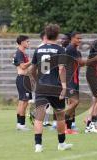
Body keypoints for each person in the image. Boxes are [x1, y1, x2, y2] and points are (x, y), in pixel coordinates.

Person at [30, 24, 73, 152]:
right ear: (57, 35)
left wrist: (37, 80)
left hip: (41, 87)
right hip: (55, 87)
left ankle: (38, 145)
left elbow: (32, 69)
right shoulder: (60, 49)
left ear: (46, 34)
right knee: (59, 115)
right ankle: (61, 144)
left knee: (39, 116)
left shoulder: (38, 49)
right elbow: (61, 68)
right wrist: (64, 86)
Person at [12, 35, 32, 131]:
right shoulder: (19, 53)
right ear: (22, 42)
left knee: (23, 102)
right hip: (22, 79)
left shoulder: (23, 53)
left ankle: (19, 124)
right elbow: (23, 67)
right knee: (23, 102)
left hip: (25, 79)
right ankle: (21, 124)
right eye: (27, 41)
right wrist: (32, 61)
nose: (29, 43)